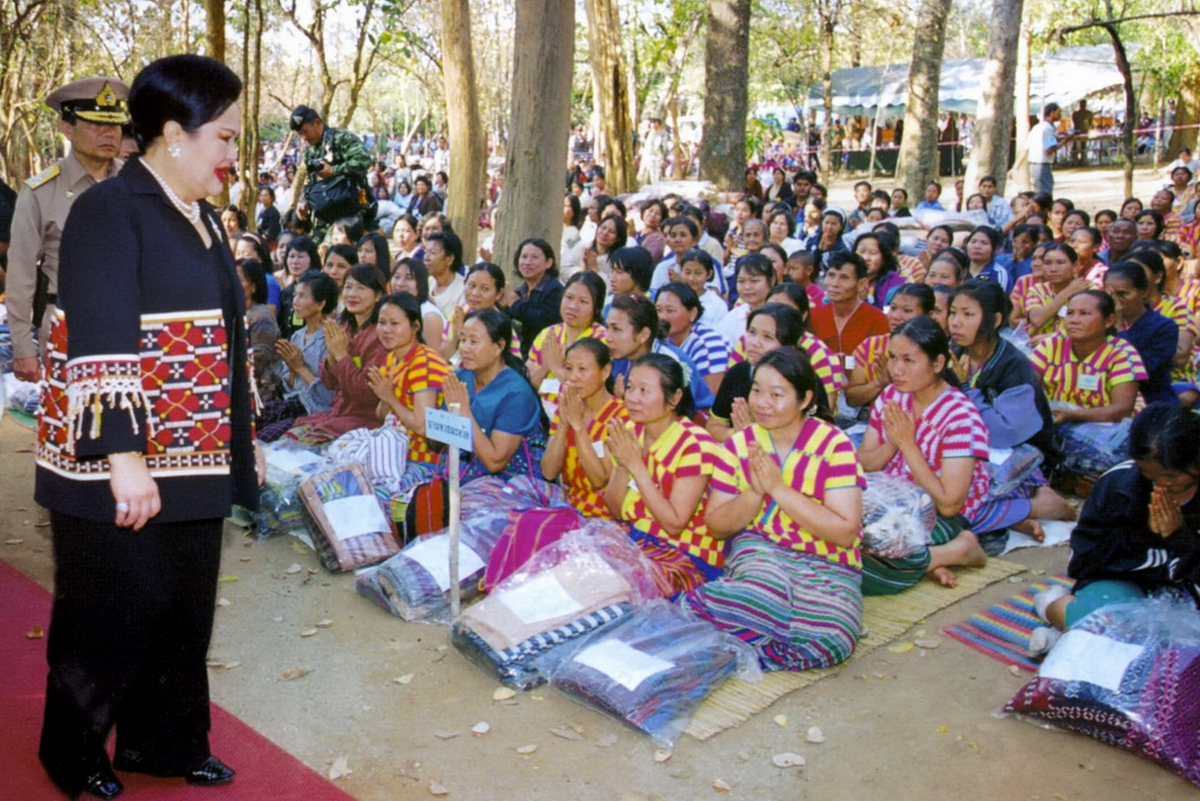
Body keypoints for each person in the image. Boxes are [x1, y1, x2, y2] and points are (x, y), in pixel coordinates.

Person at [34, 55, 251, 799]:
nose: (232, 155)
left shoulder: (203, 213)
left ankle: (164, 742)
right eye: (223, 138)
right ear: (171, 134)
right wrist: (124, 454)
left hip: (195, 455)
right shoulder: (110, 208)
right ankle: (73, 750)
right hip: (117, 463)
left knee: (182, 610)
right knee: (109, 611)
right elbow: (101, 333)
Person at [679, 348, 866, 670]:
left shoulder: (834, 444)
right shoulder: (739, 445)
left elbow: (845, 532)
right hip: (762, 551)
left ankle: (752, 640)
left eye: (777, 394)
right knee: (763, 592)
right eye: (756, 391)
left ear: (805, 399)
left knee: (836, 634)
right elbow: (717, 526)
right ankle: (762, 629)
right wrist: (754, 490)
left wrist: (778, 489)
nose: (763, 403)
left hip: (826, 562)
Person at [1032, 402, 1200, 651]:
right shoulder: (1118, 487)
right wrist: (1143, 535)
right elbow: (1083, 562)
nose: (1163, 485)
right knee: (1113, 628)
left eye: (1174, 476)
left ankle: (1066, 636)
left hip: (1188, 593)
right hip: (1125, 589)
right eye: (1151, 476)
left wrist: (1179, 537)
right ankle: (1053, 607)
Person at [8, 76, 130, 383]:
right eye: (94, 124)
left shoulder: (137, 186)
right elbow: (20, 275)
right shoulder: (40, 193)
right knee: (70, 425)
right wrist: (23, 347)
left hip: (131, 323)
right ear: (67, 128)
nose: (108, 133)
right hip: (68, 323)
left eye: (113, 125)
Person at [857, 317, 990, 593]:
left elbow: (950, 504)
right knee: (833, 537)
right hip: (886, 502)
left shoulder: (960, 416)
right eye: (893, 358)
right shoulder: (890, 397)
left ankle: (957, 550)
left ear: (938, 364)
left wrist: (907, 444)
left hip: (937, 514)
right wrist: (892, 443)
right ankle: (931, 561)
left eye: (908, 360)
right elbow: (863, 464)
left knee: (865, 566)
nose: (896, 369)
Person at [947, 281, 1075, 540]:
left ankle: (1036, 504)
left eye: (968, 314)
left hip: (1020, 454)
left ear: (994, 320)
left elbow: (1003, 433)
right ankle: (1015, 519)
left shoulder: (1012, 364)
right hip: (972, 444)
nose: (956, 322)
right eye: (952, 312)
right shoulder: (956, 351)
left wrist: (964, 388)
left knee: (954, 502)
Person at [604, 353, 723, 596]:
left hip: (685, 553)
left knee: (619, 587)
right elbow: (615, 510)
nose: (633, 398)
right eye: (630, 387)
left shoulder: (696, 444)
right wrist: (622, 465)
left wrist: (636, 466)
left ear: (674, 398)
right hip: (638, 538)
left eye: (644, 391)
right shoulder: (630, 431)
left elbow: (674, 524)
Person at [1030, 290, 1148, 480]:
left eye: (1084, 314)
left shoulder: (1121, 352)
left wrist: (1075, 414)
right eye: (1070, 313)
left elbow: (1122, 409)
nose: (1074, 320)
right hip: (1060, 422)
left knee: (1119, 456)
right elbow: (1028, 389)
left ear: (1109, 321)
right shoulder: (1051, 345)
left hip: (1110, 428)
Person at [286, 263, 389, 443]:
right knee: (288, 437)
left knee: (303, 445)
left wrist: (341, 355)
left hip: (365, 419)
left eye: (361, 288)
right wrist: (333, 356)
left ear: (378, 295)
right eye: (348, 287)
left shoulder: (380, 336)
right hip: (338, 413)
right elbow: (329, 382)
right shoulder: (346, 328)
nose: (352, 294)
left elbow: (367, 394)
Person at [364, 292, 452, 498]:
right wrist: (386, 398)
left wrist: (390, 397)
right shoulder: (393, 358)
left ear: (415, 327)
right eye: (382, 323)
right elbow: (381, 415)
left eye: (394, 324)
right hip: (395, 455)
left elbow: (423, 426)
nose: (386, 330)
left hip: (426, 461)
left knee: (374, 497)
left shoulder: (425, 362)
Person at [442, 309, 546, 482]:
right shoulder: (461, 377)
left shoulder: (516, 393)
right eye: (462, 340)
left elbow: (494, 462)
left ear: (499, 346)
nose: (464, 348)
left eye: (473, 341)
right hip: (460, 471)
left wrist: (465, 412)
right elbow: (438, 442)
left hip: (508, 483)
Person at [540, 338, 629, 518]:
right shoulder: (567, 407)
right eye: (569, 368)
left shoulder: (621, 415)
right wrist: (564, 424)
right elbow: (548, 472)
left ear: (605, 372)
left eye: (582, 369)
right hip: (568, 504)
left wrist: (579, 426)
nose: (573, 377)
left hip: (603, 512)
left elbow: (598, 479)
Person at [259, 272, 338, 441]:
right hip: (292, 402)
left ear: (321, 304)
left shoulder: (331, 339)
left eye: (303, 296)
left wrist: (300, 367)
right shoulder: (297, 336)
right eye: (295, 295)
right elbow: (289, 385)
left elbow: (328, 397)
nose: (295, 301)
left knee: (264, 437)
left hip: (313, 410)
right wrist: (293, 369)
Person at [844, 283, 934, 410]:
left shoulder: (933, 351)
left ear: (928, 316)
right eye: (893, 308)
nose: (896, 316)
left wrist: (895, 383)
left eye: (907, 311)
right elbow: (851, 399)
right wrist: (879, 383)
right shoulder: (872, 345)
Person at [290, 104, 372, 241]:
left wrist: (335, 170)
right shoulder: (310, 153)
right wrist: (305, 202)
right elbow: (313, 183)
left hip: (351, 212)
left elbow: (364, 160)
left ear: (317, 123)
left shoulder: (341, 138)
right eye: (300, 134)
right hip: (325, 214)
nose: (303, 138)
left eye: (305, 132)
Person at [1105, 261, 1180, 407]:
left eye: (1122, 294)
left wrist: (1119, 328)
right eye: (1109, 295)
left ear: (1144, 292)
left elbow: (1142, 369)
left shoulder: (1164, 327)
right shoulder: (1099, 322)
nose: (1115, 302)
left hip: (1152, 403)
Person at [527, 271, 607, 404]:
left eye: (583, 301)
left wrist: (556, 367)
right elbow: (529, 384)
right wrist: (545, 367)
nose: (572, 306)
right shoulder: (548, 333)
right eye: (569, 297)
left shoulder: (601, 339)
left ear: (597, 308)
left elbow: (587, 391)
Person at [809, 252, 890, 374]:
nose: (834, 284)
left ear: (861, 284)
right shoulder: (813, 316)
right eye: (831, 275)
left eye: (844, 277)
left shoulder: (878, 320)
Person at [656, 281, 729, 396]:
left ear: (693, 313)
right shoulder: (663, 341)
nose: (662, 317)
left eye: (670, 310)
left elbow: (709, 400)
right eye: (658, 310)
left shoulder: (709, 345)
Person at [507, 238, 564, 358]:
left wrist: (514, 303)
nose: (527, 262)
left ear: (548, 263)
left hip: (544, 357)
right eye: (524, 257)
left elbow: (541, 320)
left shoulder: (555, 290)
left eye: (534, 257)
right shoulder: (519, 291)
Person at [1024, 242, 1093, 340]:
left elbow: (1090, 328)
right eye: (1048, 263)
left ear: (1075, 266)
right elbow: (1037, 319)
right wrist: (1068, 292)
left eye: (1061, 263)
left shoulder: (1088, 290)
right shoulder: (1037, 290)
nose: (1053, 269)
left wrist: (1054, 337)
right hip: (1036, 349)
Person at [390, 256, 447, 355]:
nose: (400, 284)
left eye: (409, 278)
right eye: (397, 277)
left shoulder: (429, 316)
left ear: (421, 283)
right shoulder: (394, 308)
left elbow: (434, 359)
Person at [854, 231, 905, 310]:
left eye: (873, 253)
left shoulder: (893, 283)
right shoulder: (844, 277)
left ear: (884, 258)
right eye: (861, 252)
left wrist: (864, 301)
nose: (865, 258)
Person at [1026, 102, 1067, 195]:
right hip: (1042, 164)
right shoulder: (1048, 129)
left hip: (1034, 164)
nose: (1060, 115)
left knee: (1039, 192)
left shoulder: (1038, 127)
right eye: (1058, 112)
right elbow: (1049, 149)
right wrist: (1065, 141)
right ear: (1052, 112)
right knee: (1045, 193)